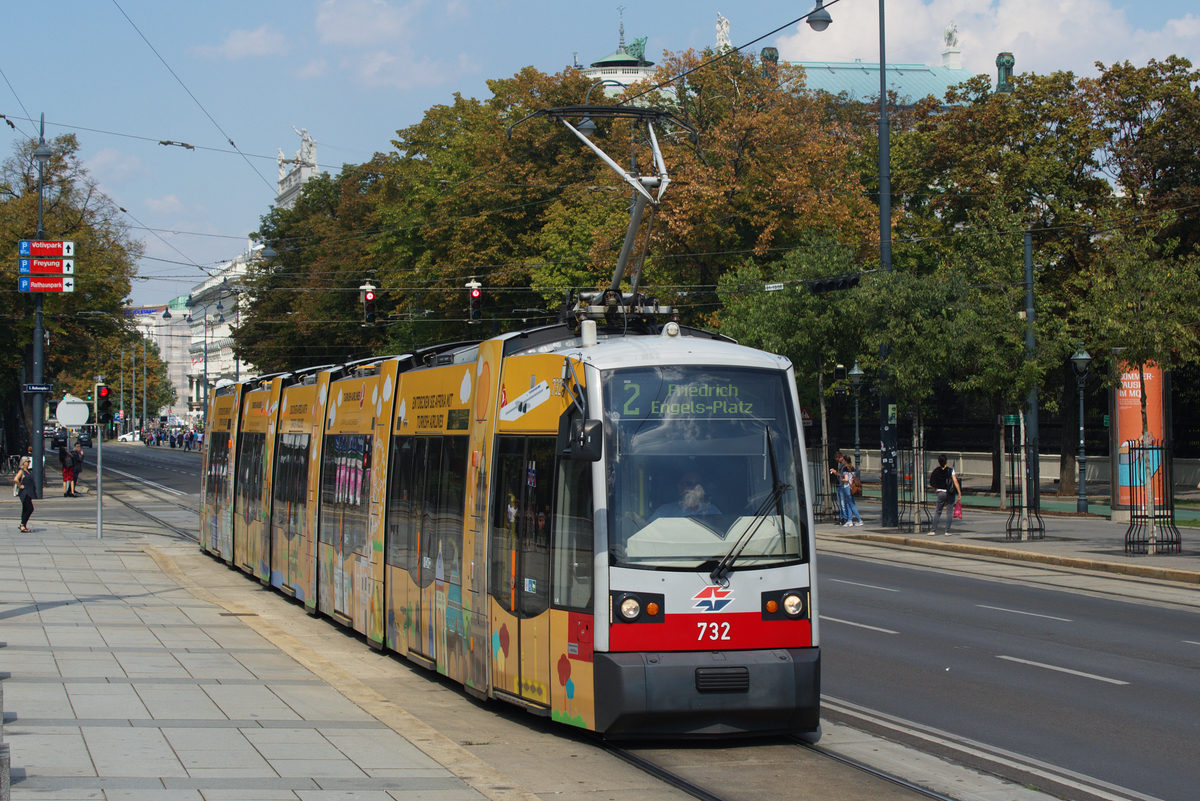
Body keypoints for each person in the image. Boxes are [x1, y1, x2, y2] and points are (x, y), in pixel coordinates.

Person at [649, 471, 721, 521]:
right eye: (689, 483)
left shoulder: (712, 509)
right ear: (680, 487)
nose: (694, 487)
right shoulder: (666, 510)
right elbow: (648, 530)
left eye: (697, 483)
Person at [929, 454, 961, 535]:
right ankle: (947, 531)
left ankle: (933, 530)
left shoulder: (936, 471)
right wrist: (959, 492)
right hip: (949, 493)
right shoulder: (950, 470)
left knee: (938, 511)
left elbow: (932, 483)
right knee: (949, 512)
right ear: (946, 461)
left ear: (939, 462)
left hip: (940, 493)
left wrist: (936, 491)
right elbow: (955, 481)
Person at [837, 454, 863, 527]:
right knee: (849, 504)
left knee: (851, 504)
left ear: (845, 461)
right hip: (851, 487)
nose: (842, 462)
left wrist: (841, 479)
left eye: (842, 460)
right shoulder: (852, 468)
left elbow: (846, 479)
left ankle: (859, 520)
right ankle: (849, 520)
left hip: (847, 487)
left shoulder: (845, 468)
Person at [14, 456, 37, 532]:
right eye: (27, 461)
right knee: (30, 508)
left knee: (25, 509)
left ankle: (23, 525)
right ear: (23, 463)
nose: (29, 463)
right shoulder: (22, 471)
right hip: (24, 492)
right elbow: (16, 479)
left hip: (29, 492)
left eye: (29, 461)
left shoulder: (29, 471)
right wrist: (20, 486)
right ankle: (22, 525)